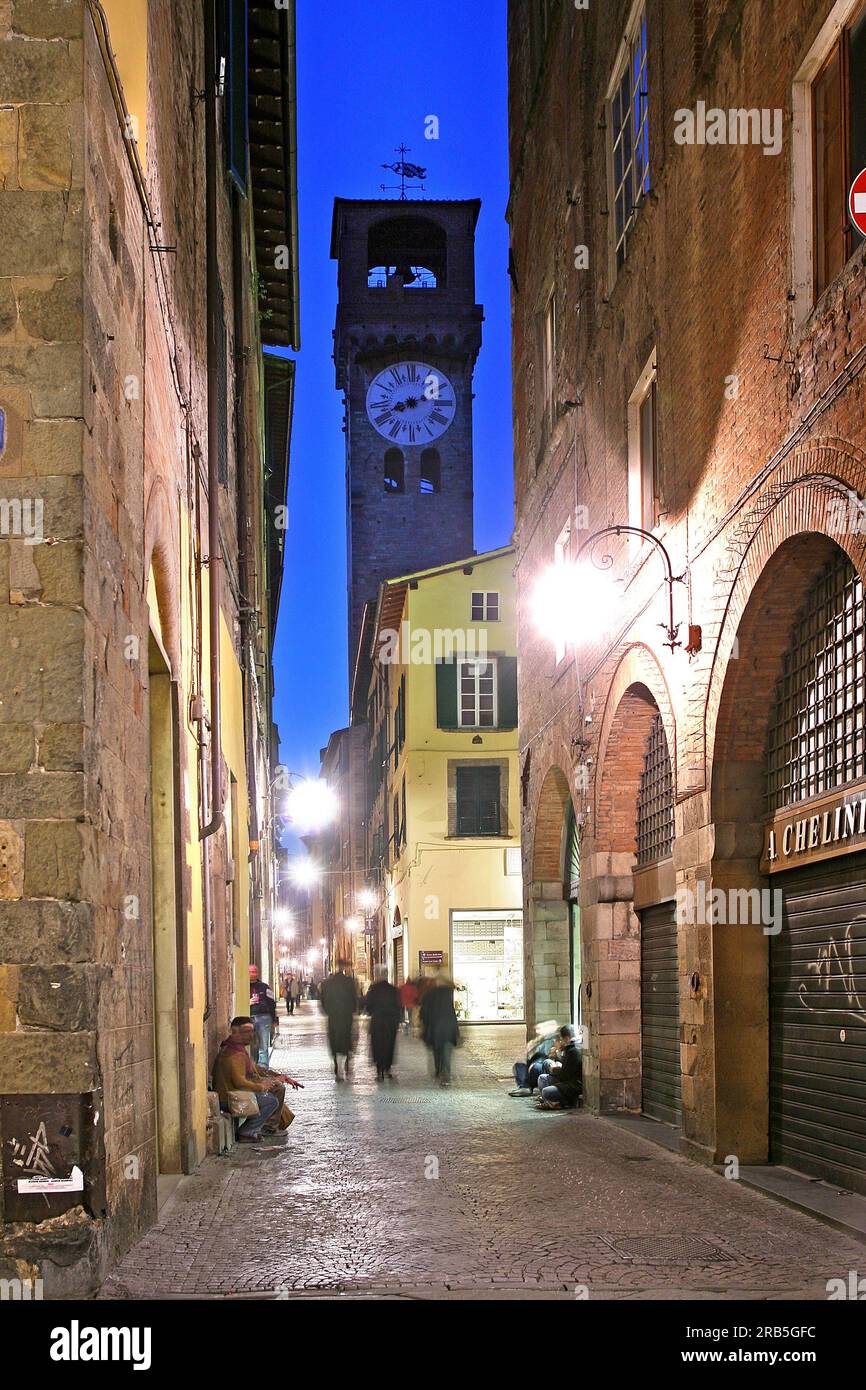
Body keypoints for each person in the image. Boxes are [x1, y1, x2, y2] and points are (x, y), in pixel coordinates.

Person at [212, 1017, 304, 1143]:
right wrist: (262, 1086)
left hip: (234, 1093)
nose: (250, 1036)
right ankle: (248, 1131)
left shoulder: (238, 1049)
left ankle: (270, 1127)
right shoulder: (234, 1054)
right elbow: (240, 1082)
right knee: (271, 1101)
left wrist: (278, 1076)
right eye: (246, 1032)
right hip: (228, 1098)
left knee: (277, 1087)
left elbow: (256, 1069)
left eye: (251, 1031)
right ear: (234, 1032)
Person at [419, 968, 460, 1086]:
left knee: (437, 1051)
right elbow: (452, 1013)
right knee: (447, 1051)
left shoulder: (429, 995)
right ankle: (446, 1074)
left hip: (435, 1028)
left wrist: (424, 1027)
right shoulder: (449, 993)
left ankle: (438, 1071)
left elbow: (424, 1013)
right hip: (449, 1028)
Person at [319, 959, 357, 1081]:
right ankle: (347, 1065)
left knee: (334, 1041)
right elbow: (355, 1000)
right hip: (346, 1017)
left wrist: (329, 1012)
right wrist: (352, 1011)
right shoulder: (350, 982)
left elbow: (323, 1002)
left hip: (333, 1017)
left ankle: (336, 1065)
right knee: (346, 1039)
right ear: (344, 968)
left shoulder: (327, 983)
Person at [508, 1020, 564, 1097]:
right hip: (538, 1064)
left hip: (546, 1067)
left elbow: (554, 1060)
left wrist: (555, 1054)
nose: (538, 1031)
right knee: (519, 1065)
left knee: (536, 1067)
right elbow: (535, 1054)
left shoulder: (558, 1041)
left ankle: (525, 1086)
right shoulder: (543, 1041)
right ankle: (524, 1086)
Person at [365, 966, 402, 1080]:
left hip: (377, 1021)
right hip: (390, 1022)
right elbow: (399, 1006)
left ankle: (379, 1070)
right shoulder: (393, 989)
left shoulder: (373, 989)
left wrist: (372, 1012)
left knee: (378, 1045)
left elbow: (368, 1006)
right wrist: (397, 1020)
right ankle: (387, 1068)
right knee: (389, 1044)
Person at [537, 1025, 583, 1109]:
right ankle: (551, 1102)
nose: (560, 1042)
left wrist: (554, 1069)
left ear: (566, 1038)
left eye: (561, 1039)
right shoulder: (568, 1049)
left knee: (545, 1092)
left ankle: (558, 1103)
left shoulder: (573, 1050)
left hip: (573, 1085)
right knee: (542, 1078)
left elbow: (564, 1076)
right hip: (567, 1080)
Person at [249, 964, 278, 1064]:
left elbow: (272, 1003)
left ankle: (263, 1070)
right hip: (249, 1018)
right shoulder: (243, 987)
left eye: (254, 971)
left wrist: (274, 1019)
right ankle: (252, 1068)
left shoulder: (264, 987)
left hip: (264, 1017)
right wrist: (248, 1003)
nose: (253, 974)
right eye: (250, 972)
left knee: (263, 1046)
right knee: (249, 1045)